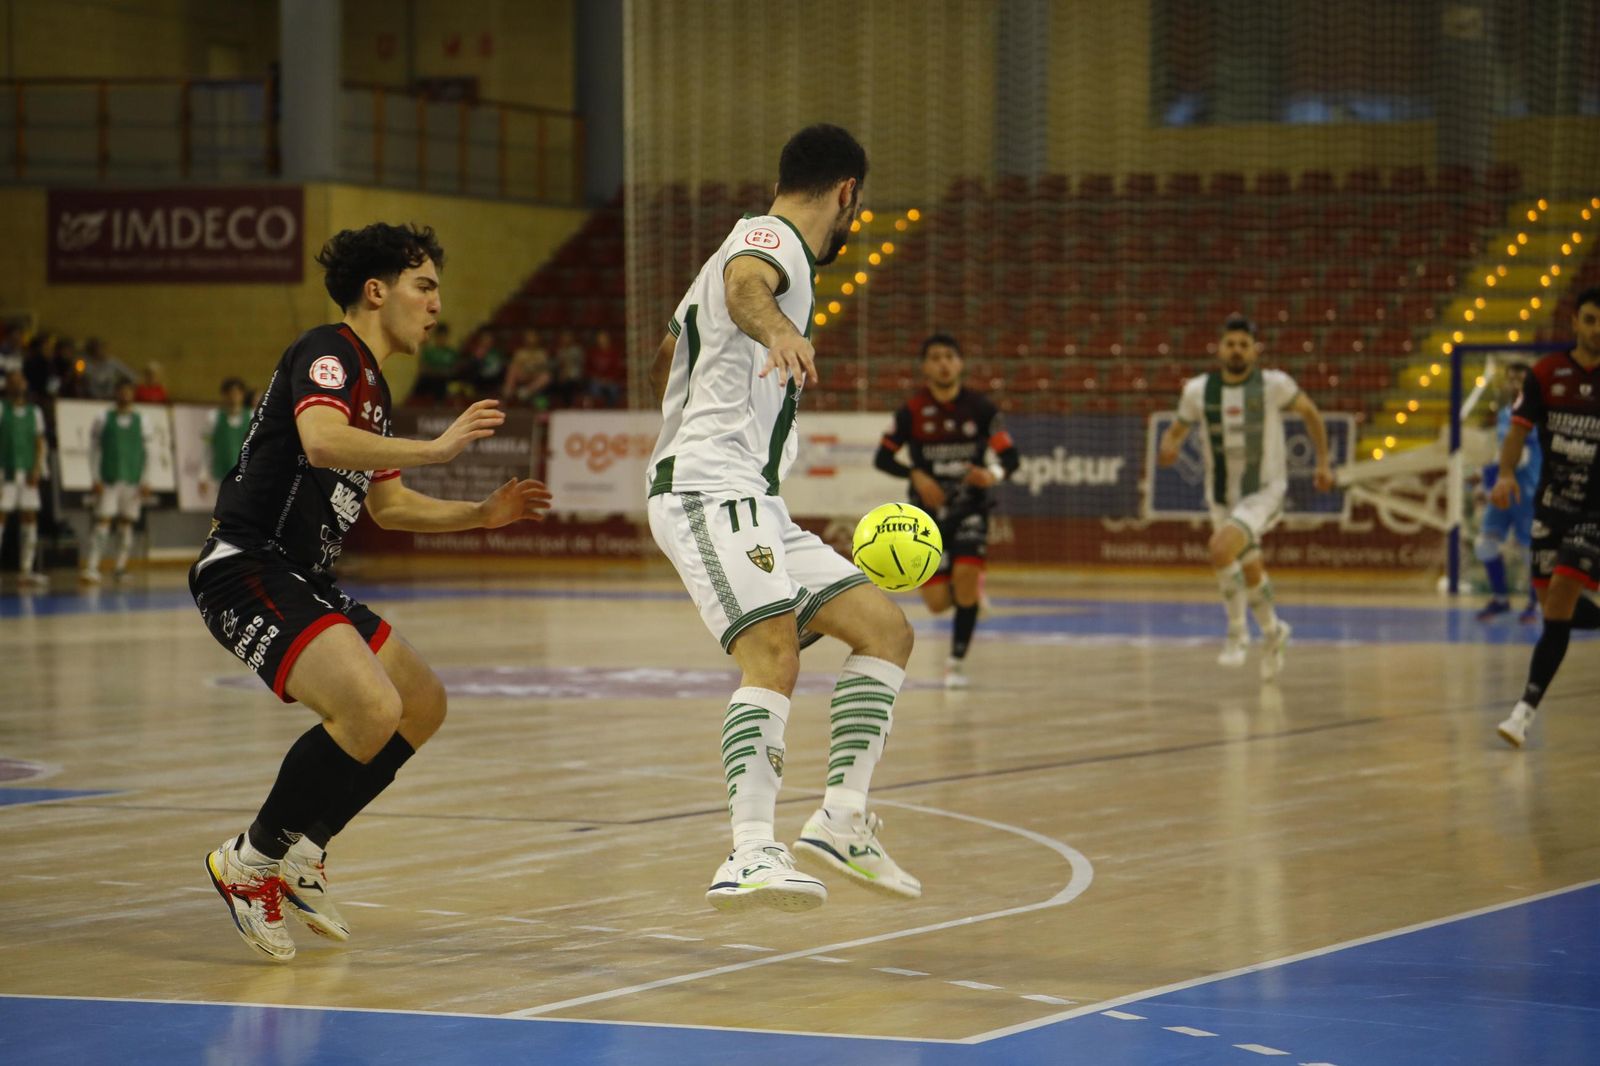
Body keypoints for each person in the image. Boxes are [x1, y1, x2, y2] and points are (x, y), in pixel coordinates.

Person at [191, 223, 552, 961]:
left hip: (305, 577)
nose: (436, 304)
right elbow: (322, 441)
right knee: (370, 707)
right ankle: (250, 861)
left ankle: (304, 849)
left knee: (421, 703)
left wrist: (480, 516)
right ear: (376, 291)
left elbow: (389, 507)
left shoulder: (376, 389)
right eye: (425, 286)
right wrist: (438, 448)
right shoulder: (328, 351)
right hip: (247, 565)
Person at [645, 123, 919, 915]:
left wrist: (698, 392)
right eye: (856, 206)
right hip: (708, 488)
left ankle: (842, 818)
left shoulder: (739, 251)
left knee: (885, 630)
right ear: (847, 192)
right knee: (772, 653)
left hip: (755, 497)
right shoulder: (770, 240)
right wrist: (780, 331)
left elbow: (667, 355)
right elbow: (745, 287)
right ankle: (749, 852)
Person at [1157, 314, 1334, 680]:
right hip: (1222, 496)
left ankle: (1236, 632)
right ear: (1219, 348)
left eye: (1243, 345)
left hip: (1265, 490)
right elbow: (1175, 431)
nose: (1236, 350)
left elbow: (1311, 413)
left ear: (1255, 351)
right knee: (1251, 569)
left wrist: (1322, 462)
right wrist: (1168, 446)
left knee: (1220, 548)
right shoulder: (1198, 391)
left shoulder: (1274, 385)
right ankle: (1274, 632)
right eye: (1230, 344)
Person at [875, 333, 1020, 688]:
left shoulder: (981, 409)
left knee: (966, 580)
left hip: (971, 508)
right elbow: (882, 458)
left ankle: (955, 663)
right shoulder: (911, 412)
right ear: (925, 367)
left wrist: (992, 474)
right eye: (936, 357)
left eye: (949, 357)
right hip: (927, 516)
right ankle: (969, 594)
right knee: (938, 603)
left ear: (960, 364)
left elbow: (1010, 458)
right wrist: (915, 474)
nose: (943, 363)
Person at [1491, 287, 1600, 747]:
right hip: (1550, 508)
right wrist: (1504, 474)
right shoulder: (1546, 373)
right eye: (1590, 319)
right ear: (1575, 322)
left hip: (1593, 513)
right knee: (1553, 610)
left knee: (1559, 598)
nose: (1597, 329)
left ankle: (1522, 712)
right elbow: (1518, 431)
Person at [1476, 361, 1541, 623]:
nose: (1514, 384)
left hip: (1527, 492)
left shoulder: (1537, 413)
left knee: (1530, 551)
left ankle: (1535, 603)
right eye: (1511, 379)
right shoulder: (1504, 413)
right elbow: (1502, 452)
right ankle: (1501, 599)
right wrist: (1485, 480)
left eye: (1520, 379)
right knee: (1485, 544)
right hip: (1503, 490)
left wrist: (1495, 472)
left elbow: (1521, 455)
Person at [81, 380, 153, 582]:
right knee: (103, 521)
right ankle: (92, 567)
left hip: (133, 480)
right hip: (109, 478)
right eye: (122, 391)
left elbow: (149, 453)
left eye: (128, 391)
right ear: (116, 393)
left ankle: (120, 567)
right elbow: (93, 450)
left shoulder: (143, 420)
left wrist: (146, 480)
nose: (125, 395)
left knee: (126, 523)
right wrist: (95, 477)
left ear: (133, 394)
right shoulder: (103, 417)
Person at [1, 369, 48, 586]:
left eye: (21, 379)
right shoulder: (1, 409)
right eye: (13, 380)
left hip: (28, 471)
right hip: (5, 472)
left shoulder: (34, 412)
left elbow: (39, 443)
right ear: (7, 386)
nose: (18, 383)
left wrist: (37, 468)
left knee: (29, 516)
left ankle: (26, 569)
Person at [200, 377, 251, 500]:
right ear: (224, 396)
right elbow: (206, 448)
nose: (234, 397)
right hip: (221, 477)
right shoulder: (213, 418)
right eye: (230, 393)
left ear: (242, 395)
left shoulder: (252, 416)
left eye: (237, 393)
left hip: (246, 477)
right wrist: (203, 476)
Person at [502, 329, 552, 407]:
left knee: (546, 376)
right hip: (523, 375)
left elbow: (544, 367)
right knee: (512, 369)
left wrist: (533, 368)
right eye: (529, 337)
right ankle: (508, 393)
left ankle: (526, 391)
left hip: (535, 376)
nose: (531, 340)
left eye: (533, 337)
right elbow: (516, 364)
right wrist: (526, 368)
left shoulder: (541, 353)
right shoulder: (520, 352)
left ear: (537, 339)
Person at [412, 320, 458, 404]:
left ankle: (439, 405)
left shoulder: (451, 353)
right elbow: (423, 369)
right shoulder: (429, 352)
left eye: (444, 336)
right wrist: (438, 371)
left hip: (444, 381)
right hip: (430, 380)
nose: (442, 339)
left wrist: (440, 372)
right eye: (440, 336)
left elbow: (454, 370)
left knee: (441, 383)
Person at [586, 329, 625, 407]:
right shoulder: (593, 352)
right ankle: (598, 408)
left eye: (603, 338)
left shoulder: (614, 353)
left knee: (614, 389)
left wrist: (609, 379)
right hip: (597, 380)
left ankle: (612, 409)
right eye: (600, 338)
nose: (602, 340)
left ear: (608, 339)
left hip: (611, 380)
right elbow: (588, 369)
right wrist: (598, 378)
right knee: (594, 388)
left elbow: (617, 369)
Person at [553, 329, 587, 407]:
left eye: (567, 338)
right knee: (552, 385)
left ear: (571, 339)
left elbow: (579, 365)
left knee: (567, 384)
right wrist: (561, 374)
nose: (566, 340)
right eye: (564, 338)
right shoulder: (560, 351)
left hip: (575, 376)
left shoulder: (577, 350)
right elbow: (559, 365)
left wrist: (567, 374)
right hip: (562, 376)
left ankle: (568, 406)